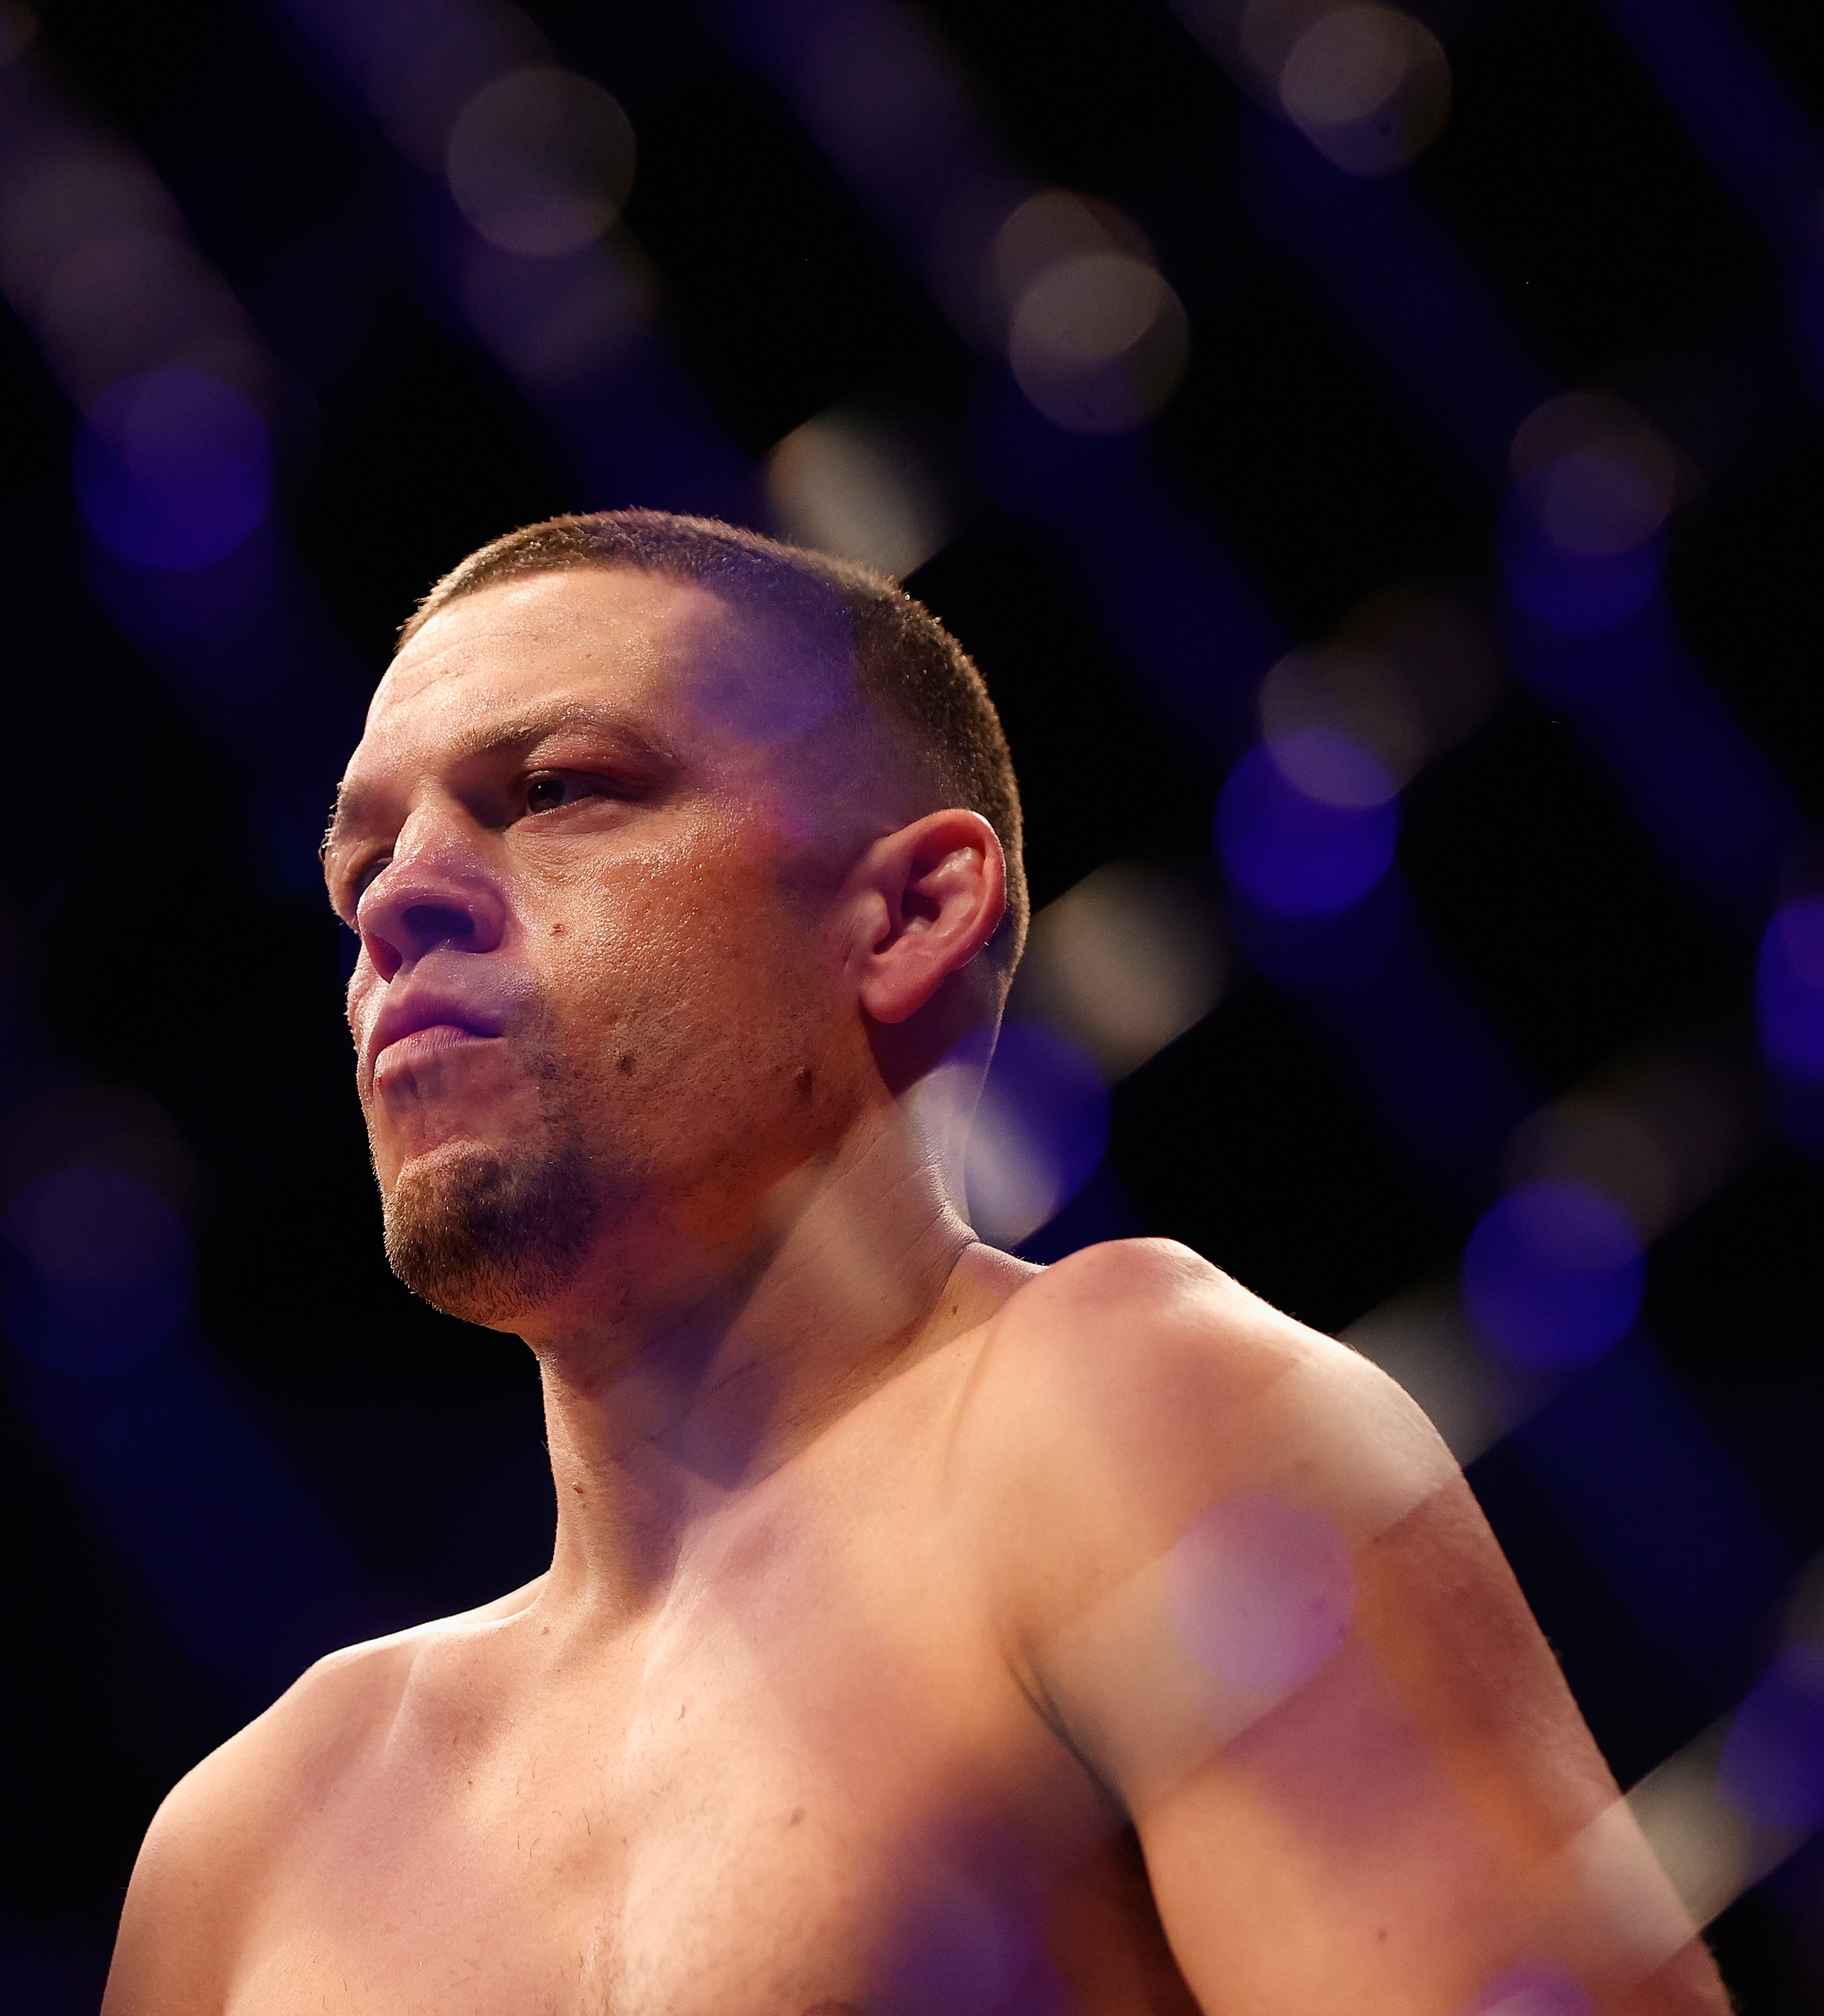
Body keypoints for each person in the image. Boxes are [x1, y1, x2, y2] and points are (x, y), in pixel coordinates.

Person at [98, 511, 1725, 2015]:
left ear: (907, 913)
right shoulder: (250, 1846)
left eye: (558, 790)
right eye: (357, 863)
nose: (402, 902)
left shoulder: (1126, 1420)